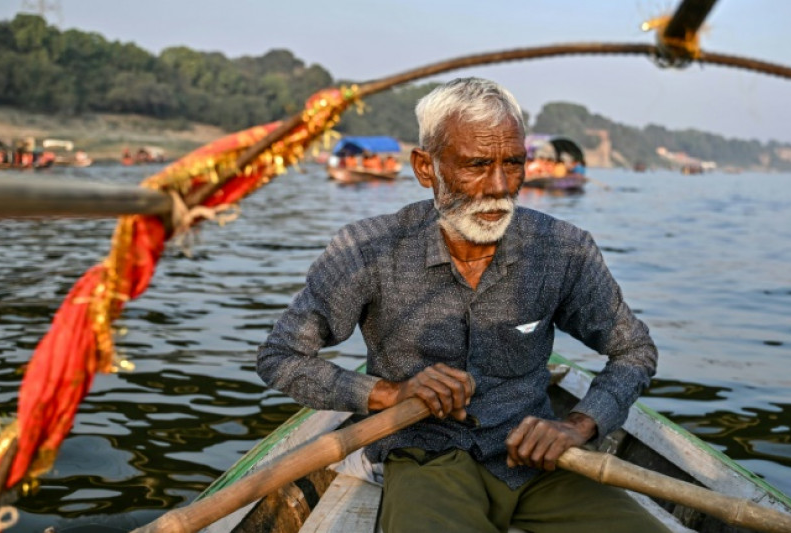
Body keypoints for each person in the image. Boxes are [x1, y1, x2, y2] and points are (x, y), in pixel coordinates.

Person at [257, 77, 667, 532]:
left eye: (513, 163)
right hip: (424, 457)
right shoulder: (367, 250)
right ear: (425, 167)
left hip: (533, 459)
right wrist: (391, 393)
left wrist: (580, 423)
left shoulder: (563, 250)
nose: (498, 187)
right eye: (476, 165)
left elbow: (634, 352)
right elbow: (281, 357)